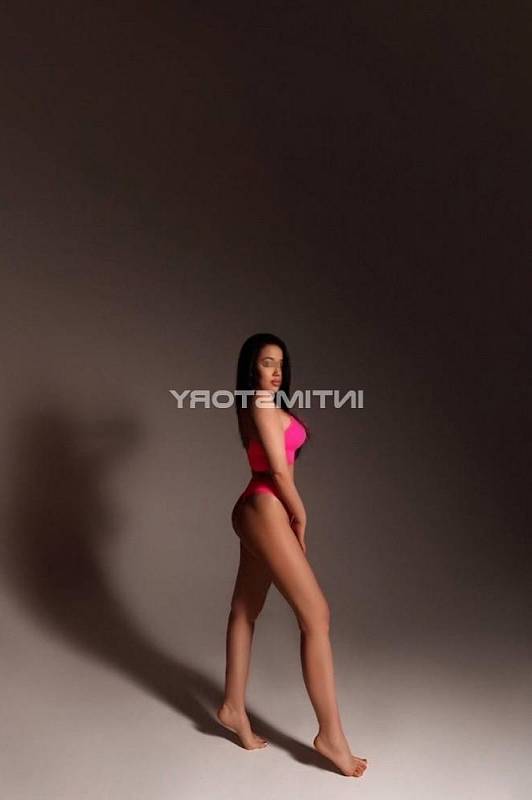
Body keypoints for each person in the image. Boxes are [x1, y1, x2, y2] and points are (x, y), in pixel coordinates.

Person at [216, 333, 368, 778]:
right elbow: (279, 473)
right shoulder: (261, 404)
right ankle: (331, 738)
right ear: (252, 367)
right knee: (316, 616)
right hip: (265, 507)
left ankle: (232, 707)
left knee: (245, 610)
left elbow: (279, 466)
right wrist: (300, 516)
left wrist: (289, 516)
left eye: (280, 363)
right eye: (267, 362)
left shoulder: (261, 404)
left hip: (259, 509)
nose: (276, 371)